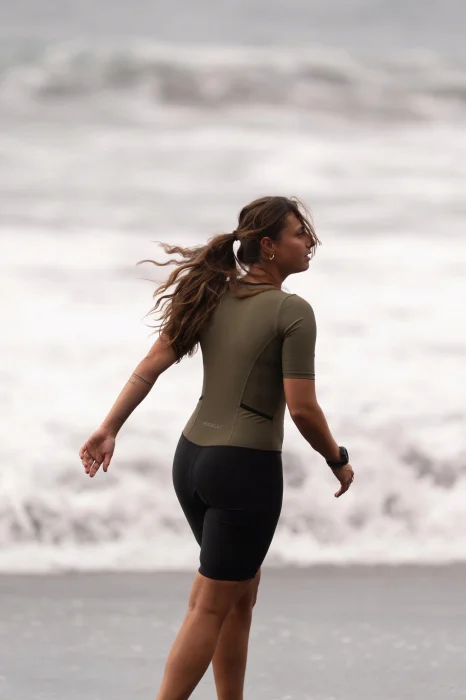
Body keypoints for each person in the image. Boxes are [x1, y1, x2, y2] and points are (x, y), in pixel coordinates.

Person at [79, 195, 355, 700]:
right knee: (210, 605)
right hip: (244, 471)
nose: (309, 242)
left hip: (192, 461)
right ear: (268, 246)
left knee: (237, 594)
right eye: (299, 234)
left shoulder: (212, 295)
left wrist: (109, 427)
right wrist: (336, 458)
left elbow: (151, 364)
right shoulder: (293, 311)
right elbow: (303, 409)